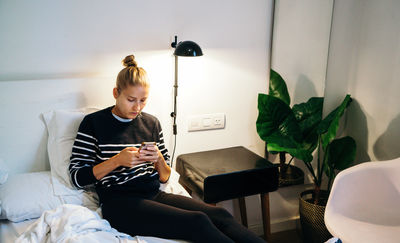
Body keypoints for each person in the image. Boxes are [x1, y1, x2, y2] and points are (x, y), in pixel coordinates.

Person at [69, 55, 265, 243]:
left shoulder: (151, 123)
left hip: (153, 194)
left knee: (220, 214)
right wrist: (117, 161)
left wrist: (158, 160)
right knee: (198, 221)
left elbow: (164, 177)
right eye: (131, 99)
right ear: (116, 93)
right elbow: (77, 177)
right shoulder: (93, 124)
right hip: (119, 203)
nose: (137, 107)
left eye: (143, 100)